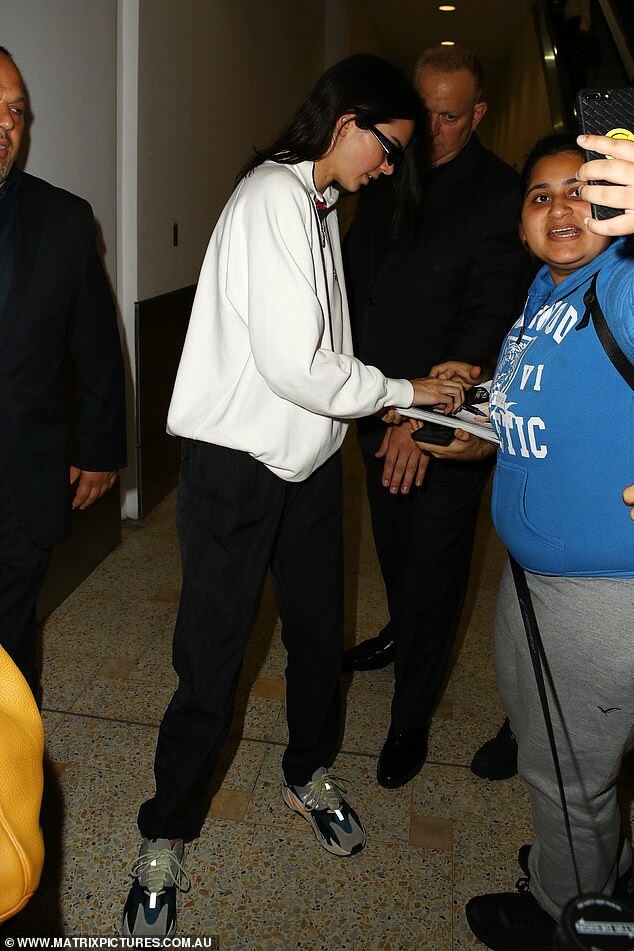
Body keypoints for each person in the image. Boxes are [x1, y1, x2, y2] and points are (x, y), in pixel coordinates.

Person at [120, 54, 465, 939]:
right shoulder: (272, 197)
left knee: (317, 638)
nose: (388, 166)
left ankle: (307, 771)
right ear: (348, 122)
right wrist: (404, 391)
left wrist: (391, 389)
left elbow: (325, 349)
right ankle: (165, 830)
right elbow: (295, 366)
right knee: (212, 654)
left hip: (307, 463)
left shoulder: (319, 204)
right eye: (389, 147)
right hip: (236, 464)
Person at [414, 132, 634, 950]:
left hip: (602, 595)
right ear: (521, 222)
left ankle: (565, 919)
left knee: (570, 776)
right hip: (535, 576)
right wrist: (473, 427)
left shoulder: (621, 284)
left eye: (581, 190)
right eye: (541, 195)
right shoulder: (545, 294)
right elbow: (539, 416)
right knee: (554, 755)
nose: (560, 207)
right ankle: (590, 870)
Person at [342, 44, 531, 789]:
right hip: (376, 404)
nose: (431, 128)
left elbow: (484, 325)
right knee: (394, 546)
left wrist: (419, 422)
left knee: (435, 571)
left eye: (448, 116)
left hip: (443, 424)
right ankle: (400, 631)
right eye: (421, 111)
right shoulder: (389, 170)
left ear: (478, 113)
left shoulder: (501, 194)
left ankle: (411, 716)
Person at [0, 47, 126, 697]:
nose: (5, 124)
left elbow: (97, 345)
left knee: (8, 631)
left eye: (15, 110)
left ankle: (11, 751)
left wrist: (99, 449)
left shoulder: (64, 220)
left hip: (20, 477)